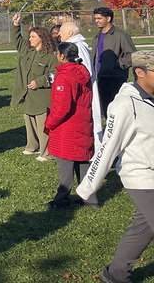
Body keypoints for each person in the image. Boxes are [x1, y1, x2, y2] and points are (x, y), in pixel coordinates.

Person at [76, 50, 154, 283]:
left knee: (144, 227)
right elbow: (107, 148)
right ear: (139, 72)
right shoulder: (123, 105)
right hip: (141, 177)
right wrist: (87, 187)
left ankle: (116, 274)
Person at [42, 42, 97, 210]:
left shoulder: (64, 77)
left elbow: (62, 108)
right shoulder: (82, 72)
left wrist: (48, 123)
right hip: (82, 123)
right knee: (82, 161)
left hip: (67, 127)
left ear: (62, 55)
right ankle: (90, 197)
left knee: (66, 164)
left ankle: (62, 200)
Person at [10, 13, 58, 161]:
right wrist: (16, 25)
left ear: (42, 39)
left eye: (33, 37)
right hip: (28, 95)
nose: (29, 39)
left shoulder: (50, 56)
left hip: (42, 97)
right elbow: (16, 40)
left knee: (43, 124)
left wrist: (40, 82)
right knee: (29, 119)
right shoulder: (27, 51)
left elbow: (56, 74)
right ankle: (32, 146)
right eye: (30, 36)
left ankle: (46, 152)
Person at [59, 21, 103, 146]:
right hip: (77, 87)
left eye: (62, 32)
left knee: (91, 119)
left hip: (84, 89)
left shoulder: (78, 46)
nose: (59, 35)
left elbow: (86, 71)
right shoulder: (72, 45)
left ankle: (96, 152)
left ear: (70, 33)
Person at [92, 7, 136, 118]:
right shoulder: (96, 37)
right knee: (106, 111)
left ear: (108, 18)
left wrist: (117, 64)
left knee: (118, 112)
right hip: (100, 79)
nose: (96, 21)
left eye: (99, 18)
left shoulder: (120, 35)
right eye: (95, 18)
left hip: (115, 79)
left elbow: (132, 55)